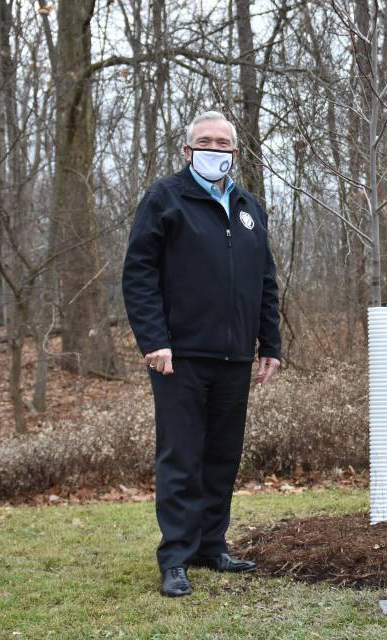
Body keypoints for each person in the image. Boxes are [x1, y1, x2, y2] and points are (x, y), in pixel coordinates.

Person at [122, 111, 282, 597]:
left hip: (235, 357)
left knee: (221, 455)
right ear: (188, 150)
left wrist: (270, 344)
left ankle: (212, 545)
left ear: (235, 152)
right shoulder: (165, 199)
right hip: (180, 356)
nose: (216, 149)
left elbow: (266, 282)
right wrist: (154, 341)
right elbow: (139, 275)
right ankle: (176, 555)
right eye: (205, 142)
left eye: (224, 143)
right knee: (181, 455)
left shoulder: (249, 205)